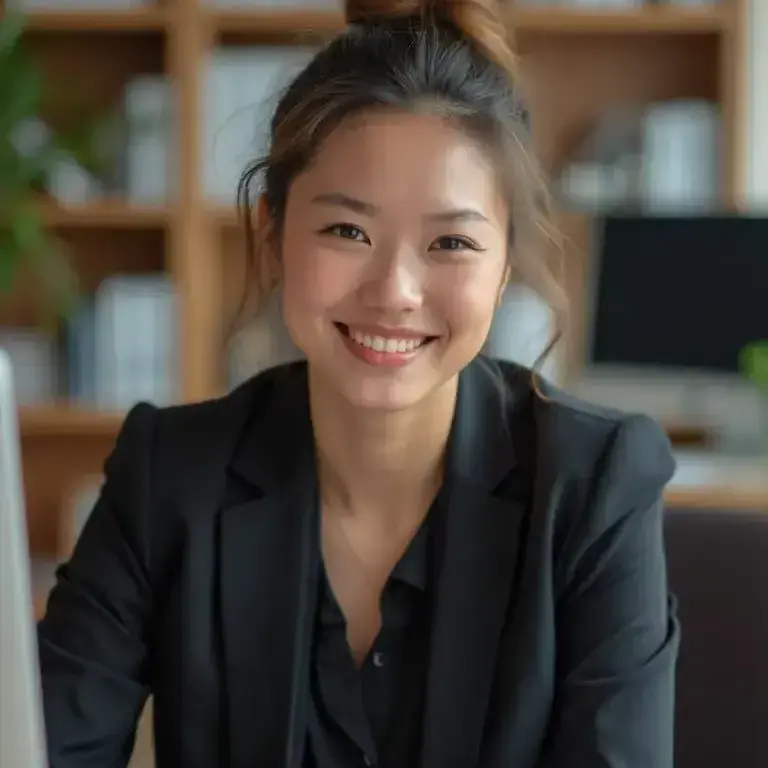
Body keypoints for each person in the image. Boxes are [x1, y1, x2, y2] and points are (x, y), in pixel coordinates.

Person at [37, 1, 680, 766]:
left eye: (451, 241)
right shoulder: (168, 473)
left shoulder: (592, 486)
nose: (395, 290)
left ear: (506, 262)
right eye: (348, 231)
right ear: (273, 233)